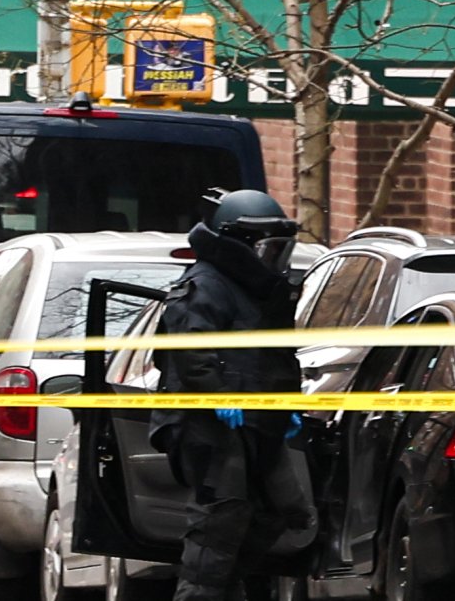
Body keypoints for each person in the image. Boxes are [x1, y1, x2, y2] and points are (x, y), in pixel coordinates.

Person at [150, 189, 315, 601]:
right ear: (237, 244)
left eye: (281, 248)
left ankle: (227, 588)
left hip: (258, 421)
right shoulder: (205, 284)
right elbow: (189, 351)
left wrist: (285, 406)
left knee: (281, 510)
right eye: (268, 248)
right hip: (208, 425)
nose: (274, 258)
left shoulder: (261, 292)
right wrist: (219, 397)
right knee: (219, 520)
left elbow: (276, 356)